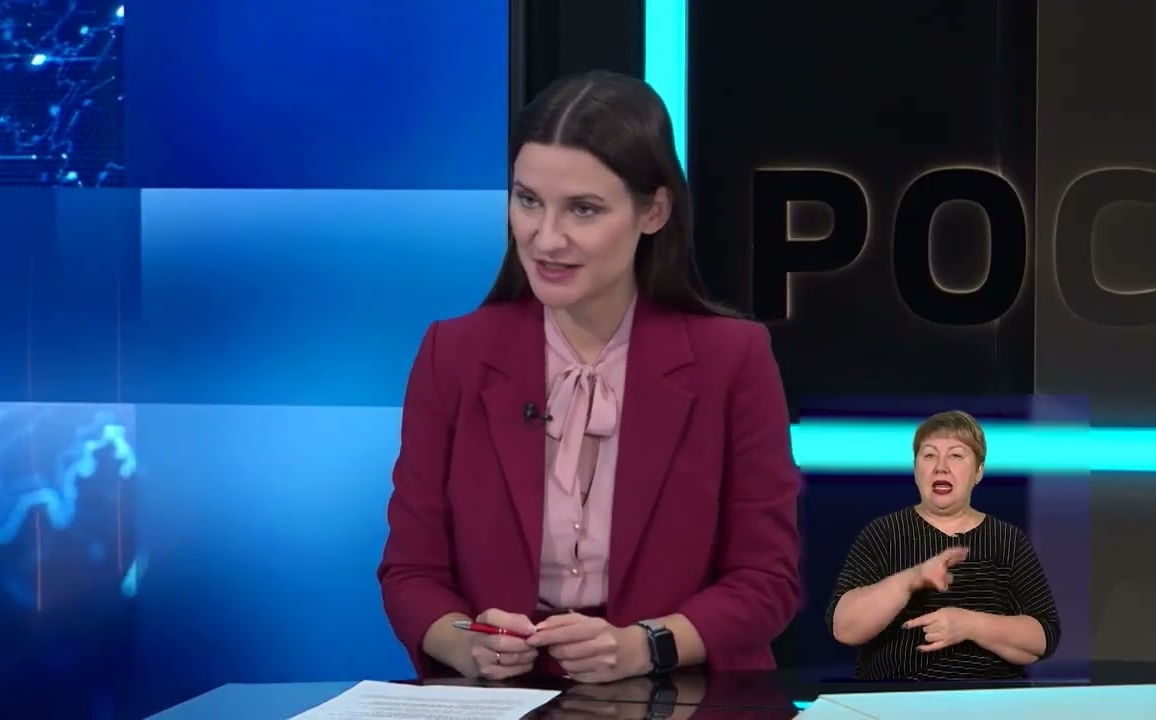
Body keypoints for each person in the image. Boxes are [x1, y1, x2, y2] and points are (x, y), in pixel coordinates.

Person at [377, 70, 801, 683]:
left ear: (653, 211)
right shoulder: (454, 354)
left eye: (583, 209)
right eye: (528, 200)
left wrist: (643, 646)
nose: (545, 238)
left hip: (676, 693)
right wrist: (469, 644)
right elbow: (410, 573)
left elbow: (766, 580)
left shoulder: (732, 358)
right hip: (503, 698)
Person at [826, 410, 1061, 680]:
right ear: (916, 469)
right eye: (929, 455)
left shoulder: (1008, 540)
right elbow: (844, 628)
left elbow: (1044, 636)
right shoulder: (883, 534)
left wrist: (970, 625)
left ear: (978, 472)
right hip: (896, 697)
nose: (941, 467)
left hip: (989, 698)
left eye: (956, 455)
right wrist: (912, 579)